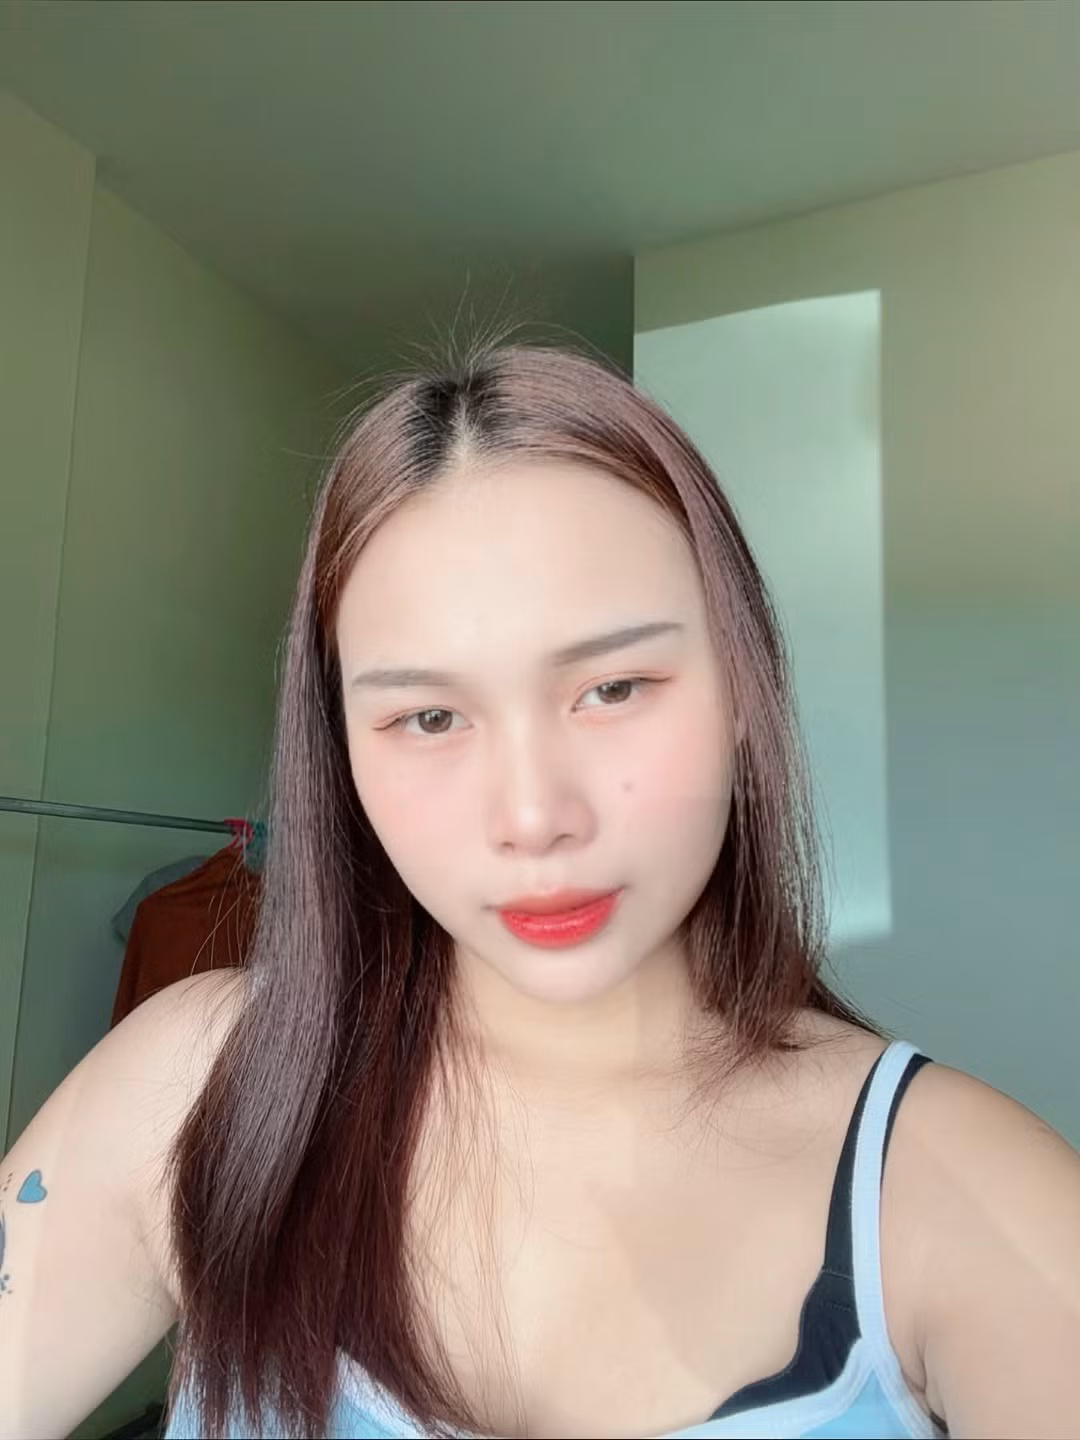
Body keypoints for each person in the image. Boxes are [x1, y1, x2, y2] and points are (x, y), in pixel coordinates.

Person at [2, 341, 1078, 1440]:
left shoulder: (963, 1193)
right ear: (341, 747)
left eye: (614, 688)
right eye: (429, 717)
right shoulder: (196, 1088)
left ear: (744, 688)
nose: (532, 816)